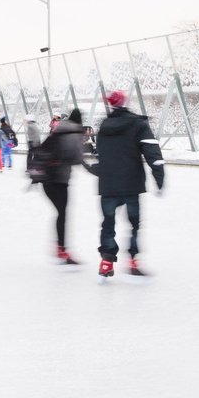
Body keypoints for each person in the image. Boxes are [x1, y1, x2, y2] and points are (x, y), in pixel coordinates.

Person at [83, 91, 165, 278]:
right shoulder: (139, 124)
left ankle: (106, 262)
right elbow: (152, 152)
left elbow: (102, 155)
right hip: (131, 184)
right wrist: (159, 177)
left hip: (108, 185)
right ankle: (133, 260)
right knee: (134, 223)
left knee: (108, 224)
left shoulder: (104, 126)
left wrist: (95, 169)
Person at [34, 110, 87, 264]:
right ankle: (61, 249)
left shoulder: (57, 130)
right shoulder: (75, 132)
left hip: (46, 178)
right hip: (59, 179)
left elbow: (42, 150)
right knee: (63, 214)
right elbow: (76, 158)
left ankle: (60, 247)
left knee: (60, 213)